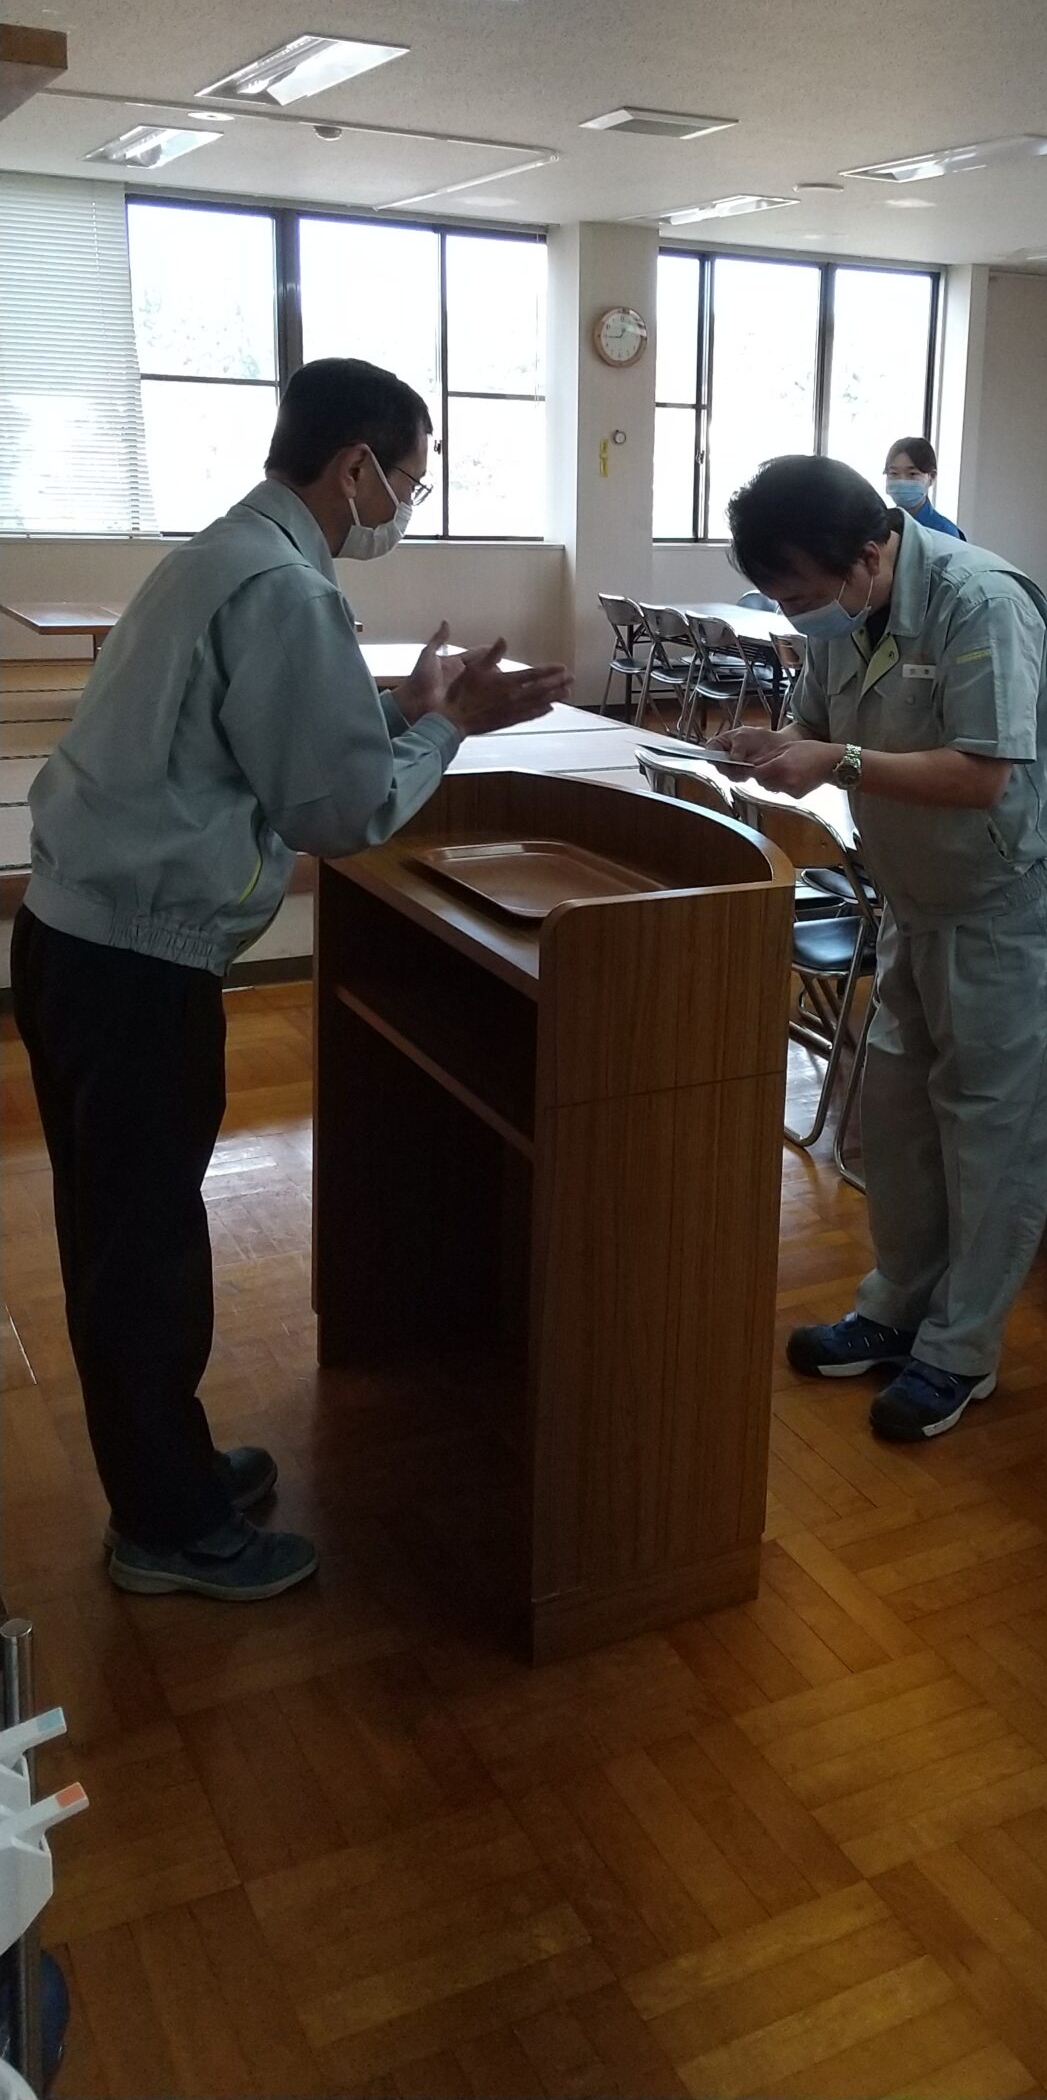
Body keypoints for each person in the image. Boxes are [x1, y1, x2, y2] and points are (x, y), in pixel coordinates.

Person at [12, 358, 569, 1603]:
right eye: (410, 479)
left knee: (123, 1232)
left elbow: (264, 739)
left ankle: (171, 1467)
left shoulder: (225, 553)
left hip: (79, 942)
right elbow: (338, 809)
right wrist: (451, 724)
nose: (406, 505)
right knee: (143, 1251)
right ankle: (167, 1526)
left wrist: (402, 706)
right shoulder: (285, 587)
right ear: (356, 465)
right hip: (133, 968)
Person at [717, 456, 1047, 1441]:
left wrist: (837, 760)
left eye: (803, 593)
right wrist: (768, 745)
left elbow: (982, 776)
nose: (795, 614)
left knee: (991, 1131)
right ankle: (895, 1309)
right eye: (779, 598)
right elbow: (814, 722)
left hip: (1005, 902)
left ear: (869, 556)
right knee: (898, 1115)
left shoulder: (981, 602)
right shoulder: (842, 616)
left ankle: (961, 1350)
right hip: (912, 897)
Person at [884, 437, 964, 540]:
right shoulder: (880, 525)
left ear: (932, 477)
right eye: (894, 473)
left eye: (912, 474)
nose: (901, 481)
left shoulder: (944, 532)